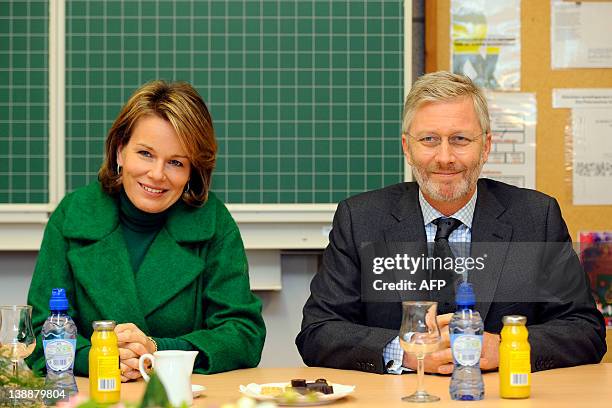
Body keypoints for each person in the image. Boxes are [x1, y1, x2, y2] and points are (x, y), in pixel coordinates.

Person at [296, 71, 606, 374]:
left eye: (459, 139)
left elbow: (585, 330)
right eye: (429, 139)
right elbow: (318, 331)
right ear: (407, 147)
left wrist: (506, 346)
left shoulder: (536, 216)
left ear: (485, 147)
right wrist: (404, 352)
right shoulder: (360, 218)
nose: (445, 157)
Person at [27, 80, 266, 380]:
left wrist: (156, 350)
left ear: (193, 171)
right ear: (119, 152)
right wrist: (100, 358)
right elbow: (37, 335)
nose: (157, 174)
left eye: (176, 162)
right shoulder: (73, 215)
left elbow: (244, 334)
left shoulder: (214, 221)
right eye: (145, 154)